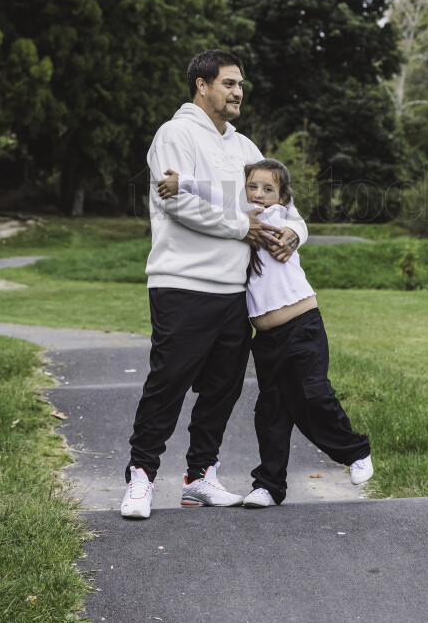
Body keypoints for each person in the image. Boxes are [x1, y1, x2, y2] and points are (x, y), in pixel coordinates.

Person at [120, 50, 307, 519]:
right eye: (229, 83)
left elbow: (283, 204)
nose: (238, 91)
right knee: (168, 383)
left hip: (234, 292)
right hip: (181, 283)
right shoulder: (173, 135)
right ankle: (140, 477)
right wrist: (241, 227)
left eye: (241, 84)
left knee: (222, 389)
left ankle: (200, 477)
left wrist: (293, 233)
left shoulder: (246, 149)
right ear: (202, 85)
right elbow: (177, 203)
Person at [158, 158, 373, 508]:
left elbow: (222, 197)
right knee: (270, 411)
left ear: (283, 197)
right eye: (252, 188)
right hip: (267, 339)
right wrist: (182, 183)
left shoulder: (277, 219)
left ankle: (356, 451)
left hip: (303, 326)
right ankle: (270, 485)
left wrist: (187, 183)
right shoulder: (243, 220)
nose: (258, 195)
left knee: (313, 395)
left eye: (268, 189)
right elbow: (217, 196)